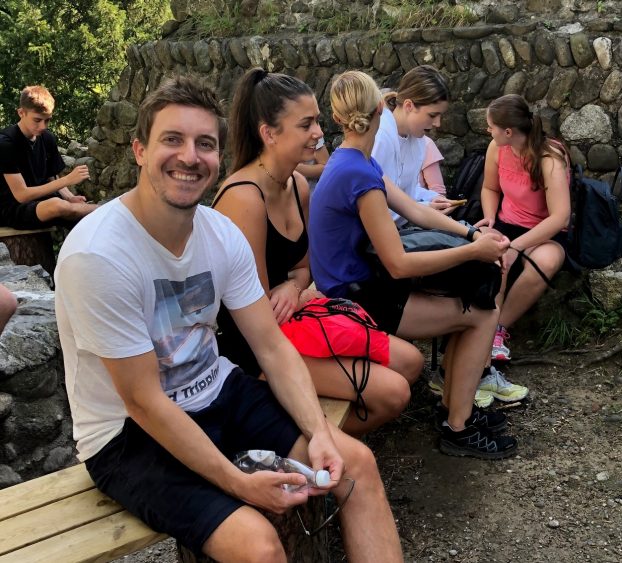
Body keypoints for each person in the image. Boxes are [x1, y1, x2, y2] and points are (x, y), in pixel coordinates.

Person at [54, 76, 403, 562]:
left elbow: (272, 346)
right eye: (172, 139)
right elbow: (144, 401)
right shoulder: (97, 255)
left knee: (356, 464)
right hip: (127, 434)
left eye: (205, 144)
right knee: (257, 544)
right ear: (139, 150)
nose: (189, 156)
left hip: (218, 390)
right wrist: (239, 483)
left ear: (219, 157)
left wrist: (320, 433)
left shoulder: (220, 234)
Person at [309, 70, 520, 460]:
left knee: (471, 298)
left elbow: (415, 211)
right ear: (381, 108)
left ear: (338, 117)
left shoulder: (353, 160)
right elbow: (399, 264)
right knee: (481, 313)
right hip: (355, 297)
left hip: (361, 282)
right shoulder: (359, 173)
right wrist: (471, 252)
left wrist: (471, 234)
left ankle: (456, 408)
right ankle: (457, 426)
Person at [212, 68, 423, 437]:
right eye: (306, 124)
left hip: (292, 318)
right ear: (269, 134)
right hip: (253, 346)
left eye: (317, 121)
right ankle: (303, 445)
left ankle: (314, 441)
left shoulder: (296, 185)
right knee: (394, 393)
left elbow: (304, 266)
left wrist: (294, 287)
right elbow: (256, 311)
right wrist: (295, 291)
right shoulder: (244, 198)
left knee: (411, 362)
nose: (318, 133)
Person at [477, 94, 571, 363]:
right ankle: (481, 328)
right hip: (506, 223)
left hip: (545, 232)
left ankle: (498, 329)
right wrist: (489, 217)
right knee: (488, 250)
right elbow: (489, 188)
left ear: (508, 131)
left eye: (491, 126)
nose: (488, 131)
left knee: (546, 261)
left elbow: (560, 217)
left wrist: (516, 247)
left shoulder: (549, 157)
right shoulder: (496, 148)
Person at [0, 85, 96, 229]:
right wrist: (68, 179)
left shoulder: (47, 138)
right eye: (37, 120)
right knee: (58, 205)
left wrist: (70, 197)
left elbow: (52, 177)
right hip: (12, 209)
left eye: (47, 120)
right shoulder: (6, 144)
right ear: (21, 113)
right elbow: (21, 195)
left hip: (43, 203)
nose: (43, 126)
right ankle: (106, 209)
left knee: (81, 218)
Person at [372, 65, 458, 224]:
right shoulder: (380, 137)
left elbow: (407, 190)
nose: (437, 123)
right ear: (408, 106)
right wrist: (425, 208)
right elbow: (374, 203)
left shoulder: (418, 140)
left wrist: (433, 198)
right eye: (432, 115)